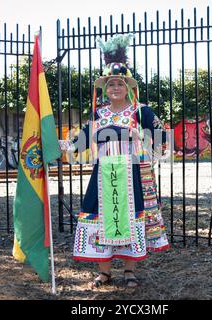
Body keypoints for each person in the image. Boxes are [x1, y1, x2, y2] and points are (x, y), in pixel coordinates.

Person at [59, 34, 170, 289]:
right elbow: (81, 142)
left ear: (128, 87)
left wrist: (139, 136)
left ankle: (129, 270)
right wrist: (57, 147)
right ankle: (104, 271)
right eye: (111, 84)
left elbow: (162, 135)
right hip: (104, 175)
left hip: (132, 175)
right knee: (99, 215)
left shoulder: (141, 111)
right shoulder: (99, 113)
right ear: (105, 89)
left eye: (120, 83)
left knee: (131, 215)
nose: (115, 88)